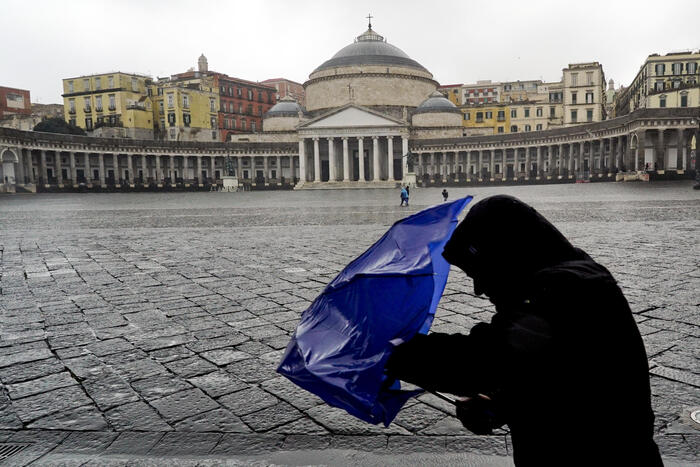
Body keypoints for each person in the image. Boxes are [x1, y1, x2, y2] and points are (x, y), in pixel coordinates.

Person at [386, 195, 661, 466]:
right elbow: (558, 376)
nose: (478, 288)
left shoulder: (561, 290)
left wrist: (391, 351)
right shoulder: (577, 278)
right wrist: (499, 404)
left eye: (479, 272)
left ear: (504, 255)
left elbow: (485, 360)